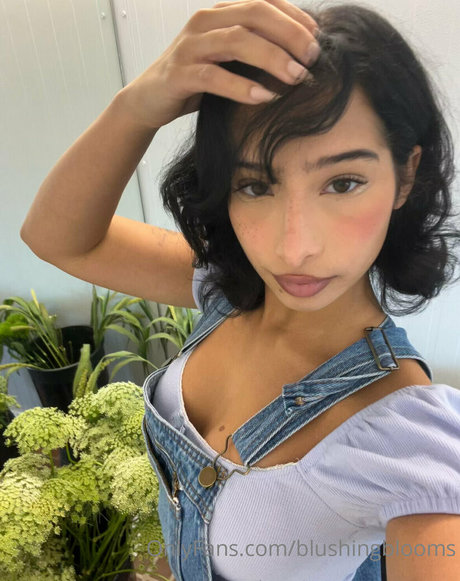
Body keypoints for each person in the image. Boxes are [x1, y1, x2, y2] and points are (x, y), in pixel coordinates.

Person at [20, 1, 460, 580]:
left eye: (343, 182)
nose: (293, 249)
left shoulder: (408, 441)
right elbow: (57, 239)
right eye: (255, 186)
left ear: (406, 175)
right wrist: (139, 105)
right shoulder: (225, 290)